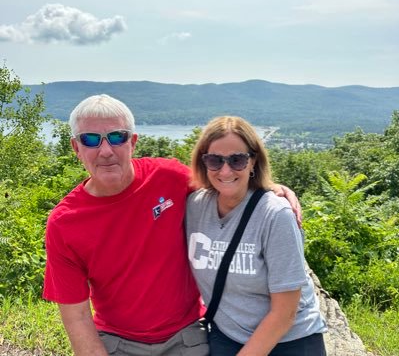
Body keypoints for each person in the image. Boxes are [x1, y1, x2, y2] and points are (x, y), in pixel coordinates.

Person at [43, 94, 301, 356]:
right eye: (90, 139)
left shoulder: (169, 178)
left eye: (117, 137)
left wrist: (270, 190)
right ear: (76, 148)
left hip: (186, 338)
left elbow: (225, 181)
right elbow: (76, 318)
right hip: (117, 342)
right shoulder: (65, 224)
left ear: (133, 142)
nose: (106, 150)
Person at [186, 116, 327, 356]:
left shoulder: (276, 215)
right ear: (203, 162)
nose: (226, 170)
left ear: (253, 161)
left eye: (237, 160)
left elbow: (285, 313)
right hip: (227, 336)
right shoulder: (194, 206)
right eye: (214, 160)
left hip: (289, 342)